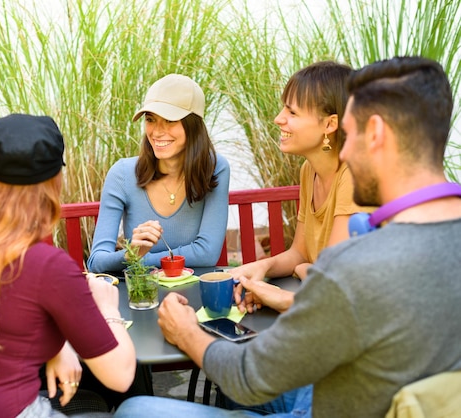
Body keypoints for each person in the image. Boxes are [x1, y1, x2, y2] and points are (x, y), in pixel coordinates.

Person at [113, 56, 461, 417]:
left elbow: (249, 375)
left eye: (350, 133)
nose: (343, 151)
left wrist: (185, 331)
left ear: (374, 134)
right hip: (350, 390)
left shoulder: (355, 265)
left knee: (133, 411)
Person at [0, 114, 136, 418]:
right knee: (131, 407)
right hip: (16, 412)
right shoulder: (45, 264)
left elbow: (8, 320)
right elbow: (120, 376)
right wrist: (108, 308)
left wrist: (58, 348)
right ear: (55, 179)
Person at [230, 61, 369, 313]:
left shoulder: (353, 175)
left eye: (292, 113)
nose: (278, 119)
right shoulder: (310, 171)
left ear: (330, 124)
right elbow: (300, 253)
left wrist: (291, 283)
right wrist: (262, 267)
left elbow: (331, 281)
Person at [86, 73, 230, 273]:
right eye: (151, 119)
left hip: (194, 295)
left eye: (170, 120)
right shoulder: (122, 174)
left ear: (193, 125)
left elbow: (207, 253)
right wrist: (131, 253)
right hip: (142, 297)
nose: (156, 132)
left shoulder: (215, 168)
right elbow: (96, 261)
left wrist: (140, 260)